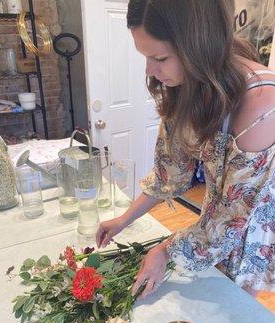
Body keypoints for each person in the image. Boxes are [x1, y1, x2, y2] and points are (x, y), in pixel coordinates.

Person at [96, 0, 275, 299]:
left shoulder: (262, 102)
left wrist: (165, 251)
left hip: (253, 224)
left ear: (198, 46)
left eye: (160, 57)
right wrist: (123, 219)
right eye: (146, 57)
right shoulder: (186, 82)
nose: (151, 71)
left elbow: (232, 221)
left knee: (236, 311)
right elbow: (170, 172)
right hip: (217, 221)